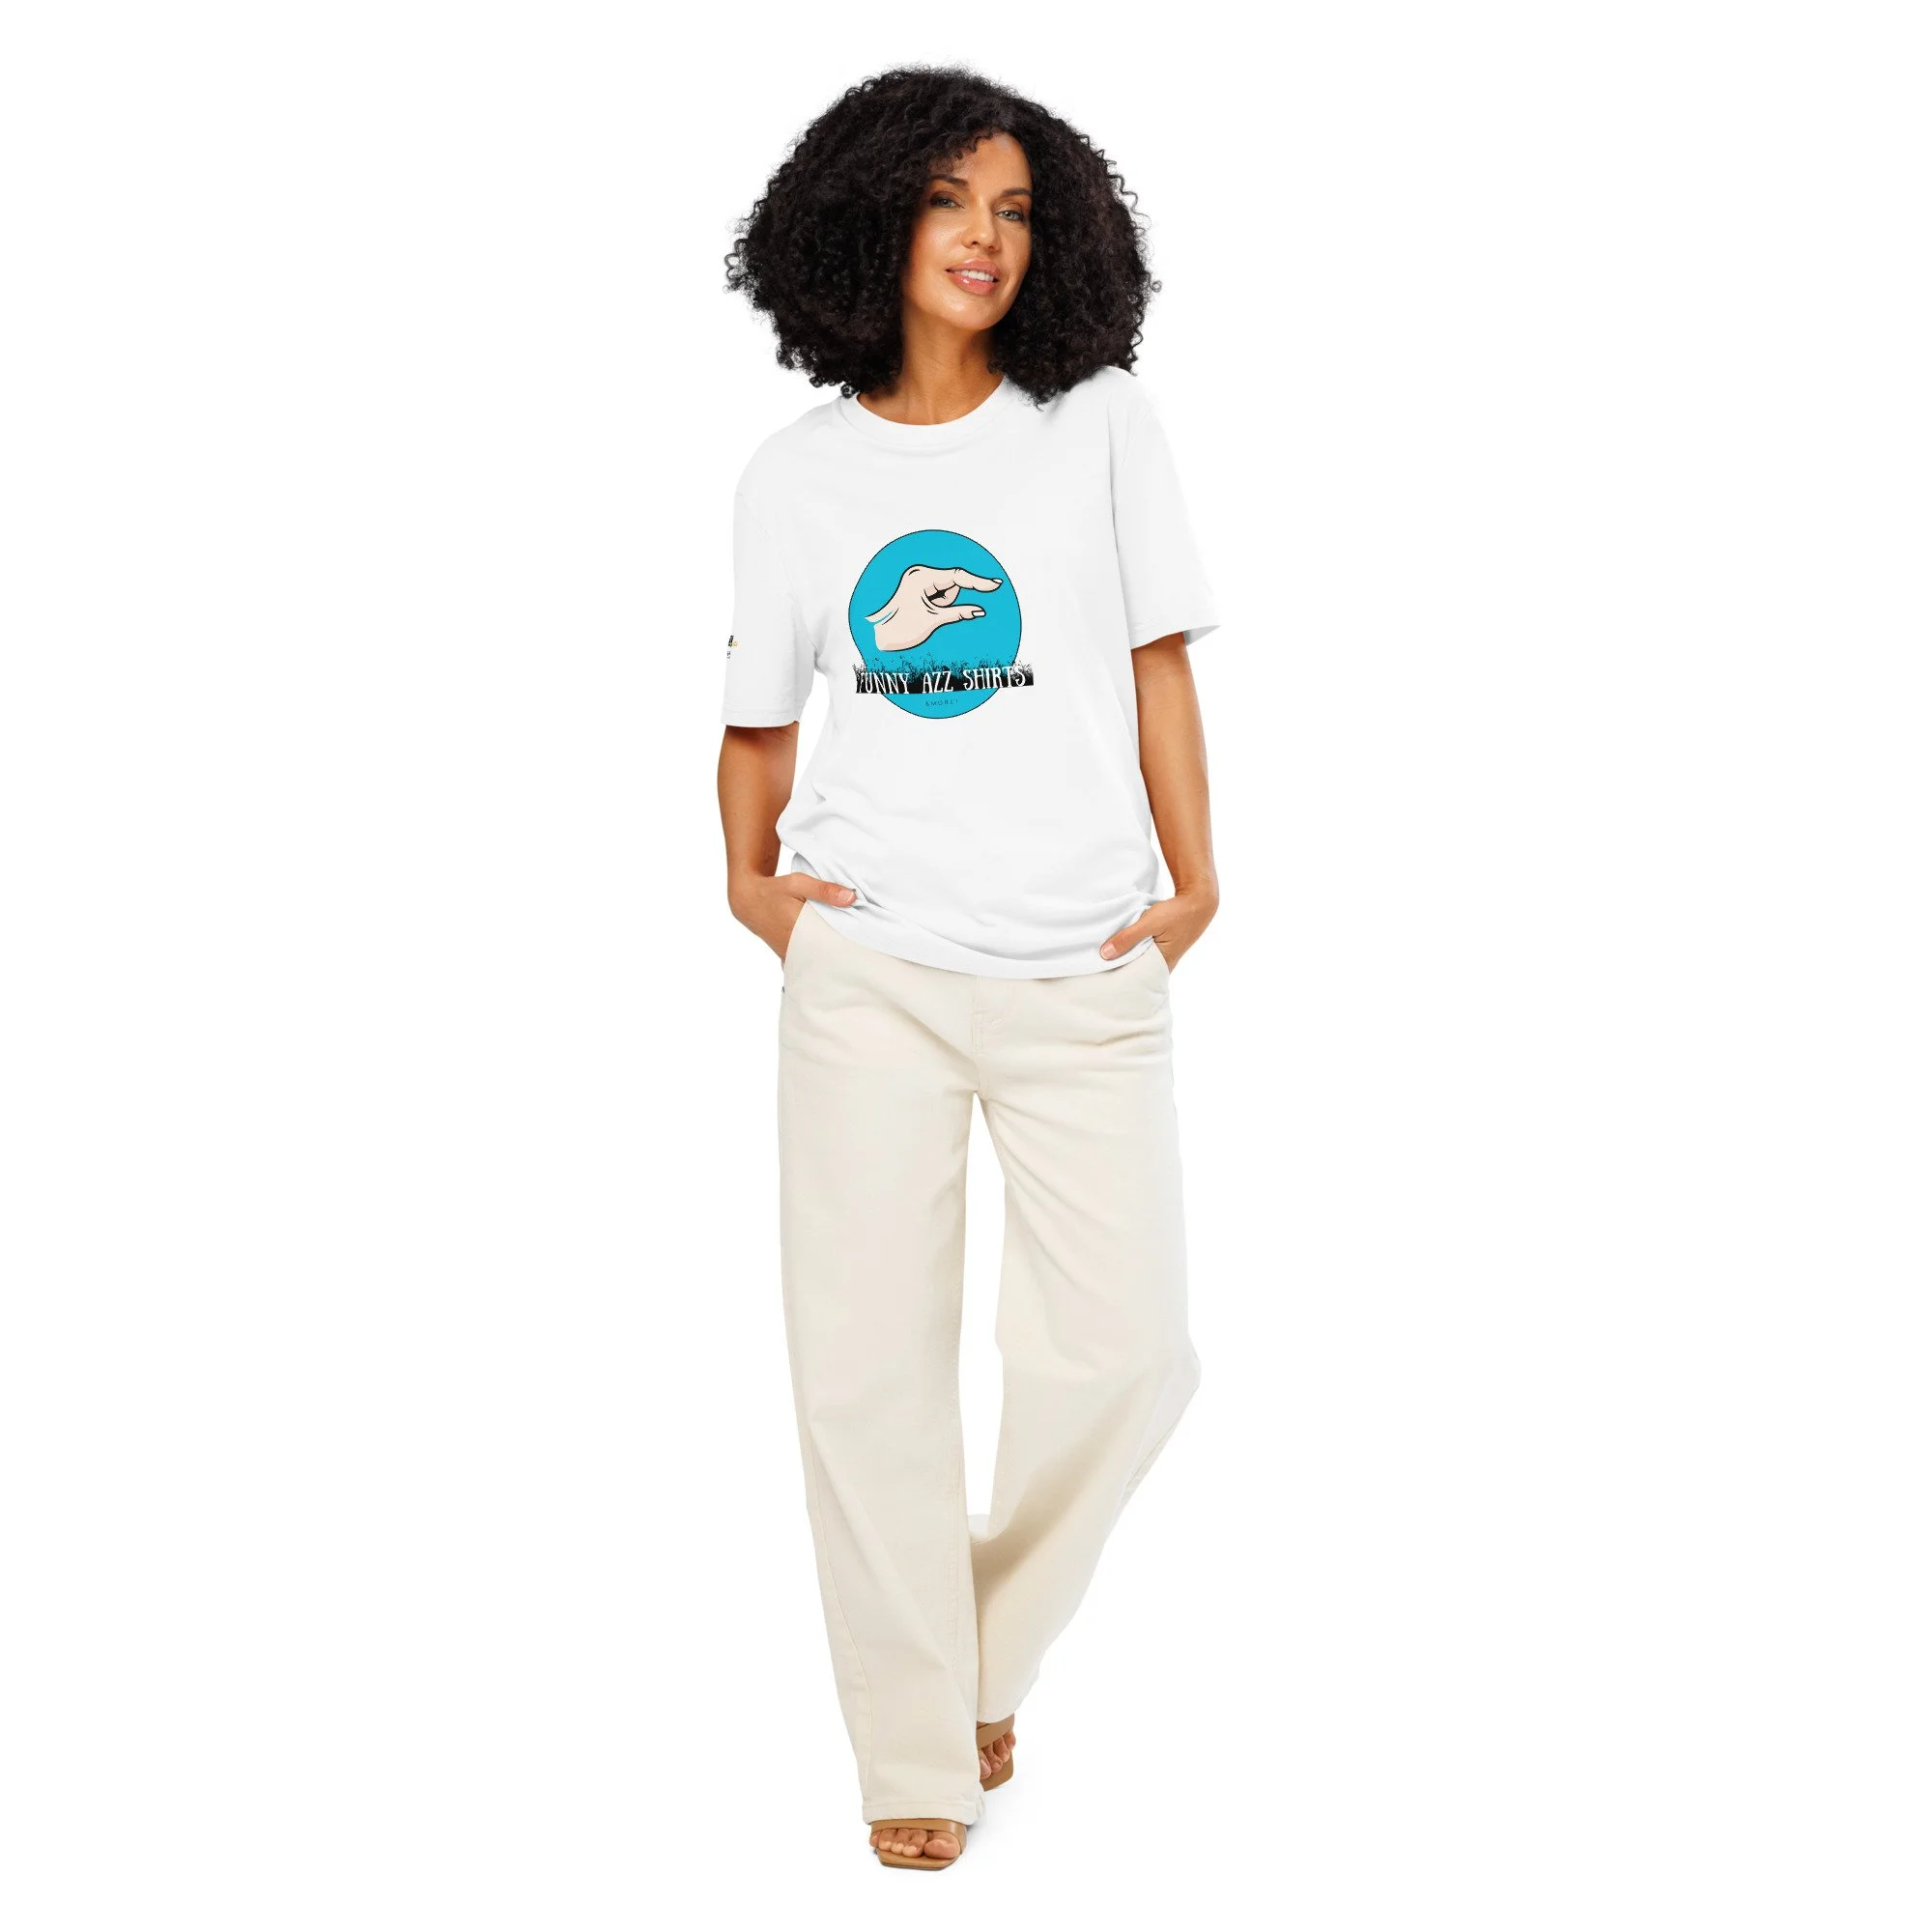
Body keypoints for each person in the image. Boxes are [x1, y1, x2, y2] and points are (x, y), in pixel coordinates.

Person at [716, 66, 1220, 1872]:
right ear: (870, 221)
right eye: (948, 202)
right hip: (873, 969)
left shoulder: (1098, 427)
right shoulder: (799, 480)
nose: (985, 239)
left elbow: (1158, 661)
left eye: (1014, 209)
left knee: (1129, 1358)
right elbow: (757, 722)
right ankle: (916, 1751)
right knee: (866, 1374)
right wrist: (753, 891)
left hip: (1085, 963)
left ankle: (979, 1654)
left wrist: (1197, 884)